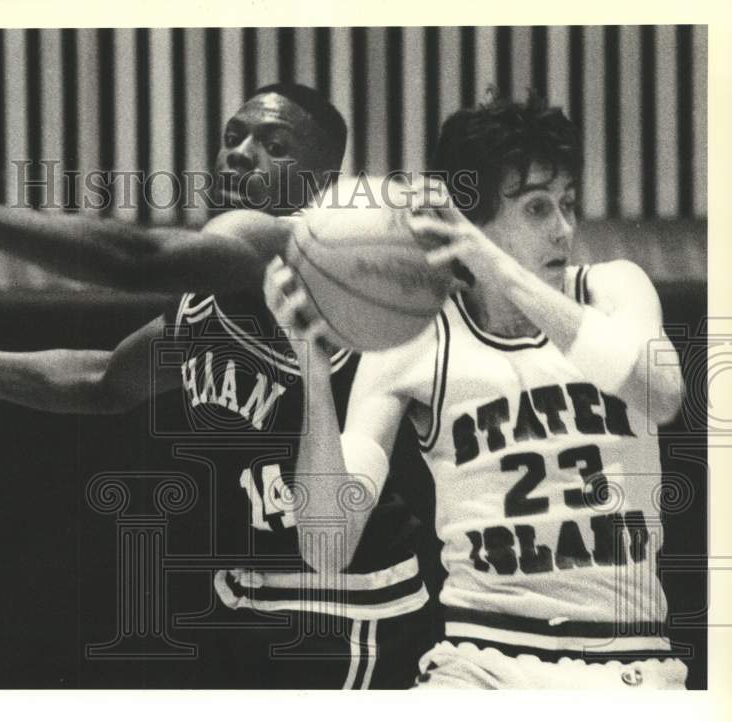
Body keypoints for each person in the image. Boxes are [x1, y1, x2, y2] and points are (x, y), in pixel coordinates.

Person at [0, 83, 437, 689]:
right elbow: (101, 380)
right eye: (233, 137)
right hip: (246, 598)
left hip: (349, 604)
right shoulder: (209, 303)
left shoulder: (279, 245)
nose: (241, 152)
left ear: (321, 184)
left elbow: (136, 257)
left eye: (275, 145)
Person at [281, 93, 688, 689]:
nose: (564, 228)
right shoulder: (418, 338)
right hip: (482, 660)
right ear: (473, 220)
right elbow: (326, 544)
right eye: (536, 208)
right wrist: (314, 376)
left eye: (568, 204)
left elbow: (663, 395)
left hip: (628, 660)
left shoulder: (613, 290)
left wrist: (496, 267)